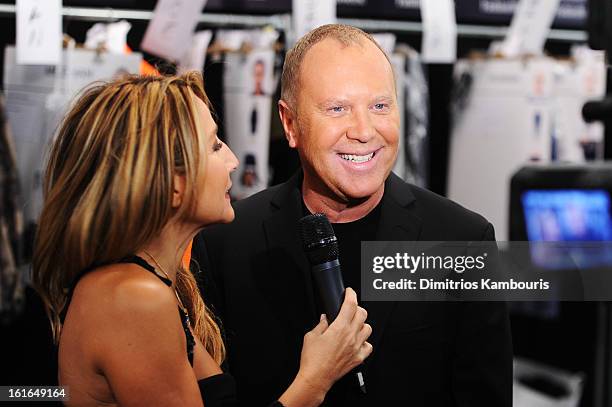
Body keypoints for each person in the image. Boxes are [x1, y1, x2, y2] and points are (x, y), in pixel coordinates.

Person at [192, 24, 513, 406]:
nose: (364, 131)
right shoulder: (224, 242)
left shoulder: (461, 239)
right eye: (337, 108)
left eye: (380, 106)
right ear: (290, 123)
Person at [31, 72, 372, 407]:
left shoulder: (159, 284)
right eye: (214, 146)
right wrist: (315, 378)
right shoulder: (132, 297)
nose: (234, 161)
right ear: (172, 181)